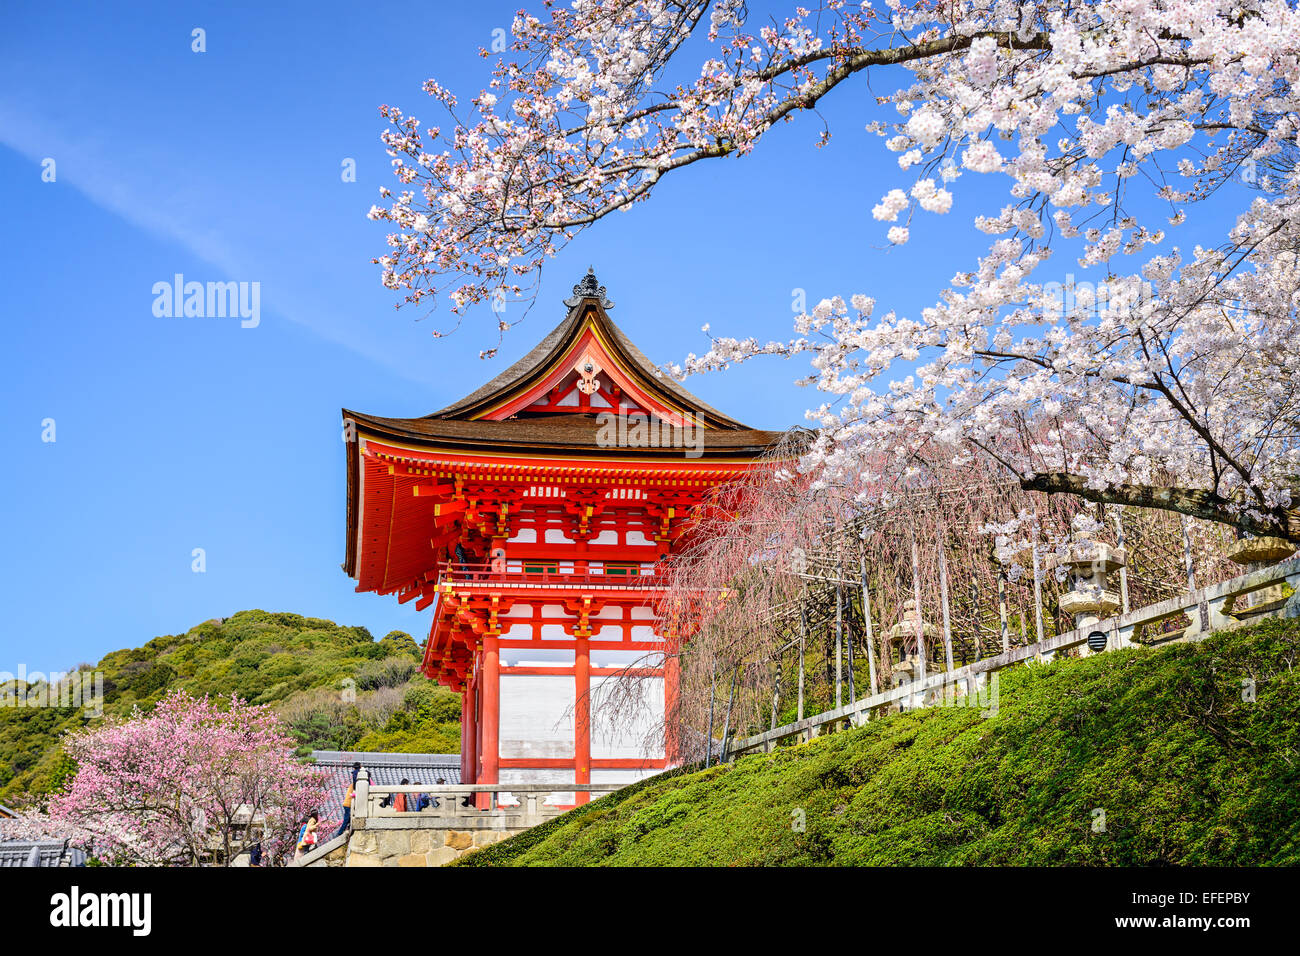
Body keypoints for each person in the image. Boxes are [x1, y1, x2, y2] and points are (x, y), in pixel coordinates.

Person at [334, 762, 361, 838]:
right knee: (346, 819)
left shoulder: (352, 784)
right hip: (348, 804)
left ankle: (345, 830)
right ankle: (339, 833)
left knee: (348, 819)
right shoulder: (354, 786)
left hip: (347, 804)